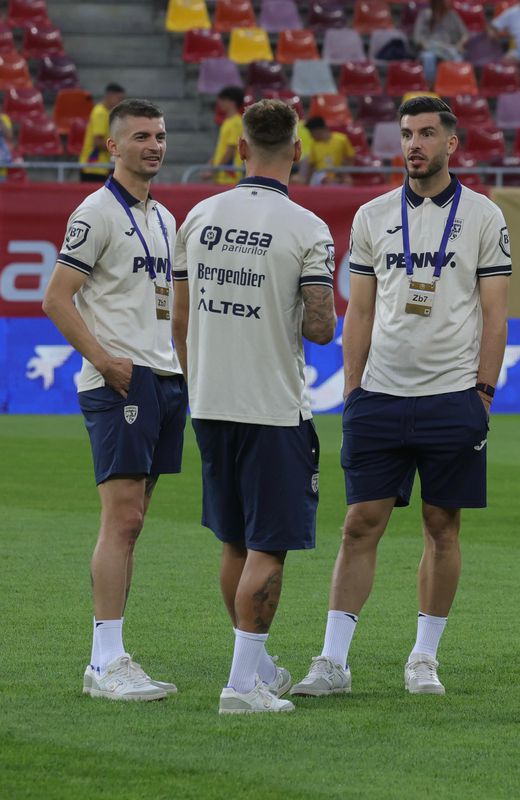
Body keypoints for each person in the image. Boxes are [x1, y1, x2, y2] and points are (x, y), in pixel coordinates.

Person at [290, 96, 510, 698]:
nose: (414, 143)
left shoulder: (486, 218)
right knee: (360, 523)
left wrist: (483, 394)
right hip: (379, 398)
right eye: (407, 133)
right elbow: (358, 309)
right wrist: (354, 388)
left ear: (451, 144)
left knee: (442, 526)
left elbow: (495, 316)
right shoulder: (372, 215)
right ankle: (333, 661)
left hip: (453, 397)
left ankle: (423, 657)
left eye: (427, 133)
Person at [172, 99, 337, 715]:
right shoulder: (306, 227)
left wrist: (201, 381)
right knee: (270, 544)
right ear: (297, 151)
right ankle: (240, 686)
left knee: (234, 541)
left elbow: (181, 319)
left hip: (211, 401)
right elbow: (320, 327)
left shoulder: (200, 215)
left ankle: (256, 665)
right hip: (273, 406)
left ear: (240, 148)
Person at [43, 99, 184, 701]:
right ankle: (103, 663)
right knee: (121, 519)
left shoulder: (164, 217)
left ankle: (117, 654)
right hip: (119, 381)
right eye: (141, 137)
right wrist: (104, 361)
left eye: (159, 136)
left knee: (135, 523)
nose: (154, 145)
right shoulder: (95, 212)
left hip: (162, 378)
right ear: (112, 146)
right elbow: (56, 298)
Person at [413, 0, 469, 84]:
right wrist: (424, 45)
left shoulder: (452, 15)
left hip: (448, 48)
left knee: (458, 59)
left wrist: (460, 44)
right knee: (428, 57)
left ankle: (455, 86)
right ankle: (430, 86)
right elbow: (417, 37)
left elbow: (465, 34)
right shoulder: (425, 14)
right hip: (430, 47)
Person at [78, 83, 125, 182]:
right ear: (109, 96)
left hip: (101, 167)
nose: (121, 103)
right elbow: (98, 142)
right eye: (119, 99)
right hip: (93, 167)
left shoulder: (108, 113)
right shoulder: (99, 113)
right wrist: (120, 150)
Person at [302, 117, 355, 185]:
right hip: (321, 176)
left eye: (311, 133)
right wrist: (307, 183)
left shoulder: (341, 139)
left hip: (338, 175)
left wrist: (344, 173)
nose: (311, 136)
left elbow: (351, 158)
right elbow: (312, 166)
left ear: (319, 130)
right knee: (324, 179)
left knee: (348, 181)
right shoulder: (314, 145)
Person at [209, 85, 244, 185]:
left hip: (230, 176)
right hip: (222, 176)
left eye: (223, 100)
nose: (220, 103)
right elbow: (222, 148)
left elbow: (231, 150)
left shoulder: (236, 122)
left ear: (232, 102)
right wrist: (212, 163)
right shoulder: (227, 122)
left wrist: (215, 169)